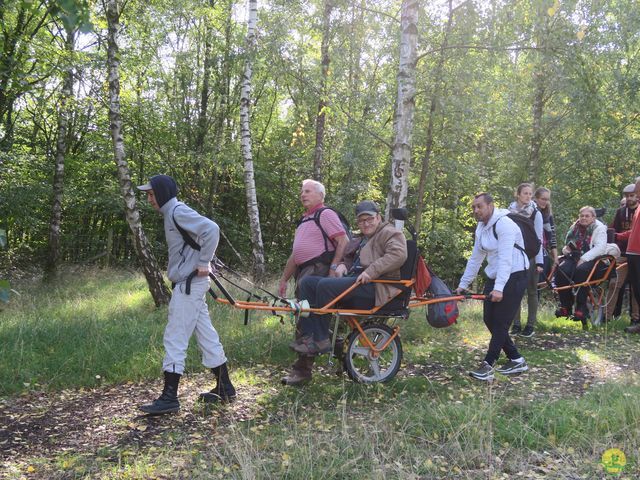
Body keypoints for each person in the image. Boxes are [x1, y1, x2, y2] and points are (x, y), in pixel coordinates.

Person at [137, 175, 236, 415]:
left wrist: (204, 262)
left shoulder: (177, 211)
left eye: (151, 194)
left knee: (175, 337)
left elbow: (212, 229)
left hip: (189, 285)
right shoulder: (172, 213)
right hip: (191, 284)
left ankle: (169, 397)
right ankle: (225, 387)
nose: (149, 199)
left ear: (161, 193)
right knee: (206, 336)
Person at [288, 200, 407, 381]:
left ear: (378, 218)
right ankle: (310, 336)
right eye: (361, 221)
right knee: (308, 283)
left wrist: (370, 271)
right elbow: (349, 258)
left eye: (369, 219)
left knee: (325, 285)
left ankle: (319, 338)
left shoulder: (390, 233)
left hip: (376, 287)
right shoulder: (360, 239)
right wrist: (343, 265)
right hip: (355, 282)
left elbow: (398, 255)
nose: (366, 224)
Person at [279, 179, 349, 385]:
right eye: (302, 191)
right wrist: (284, 278)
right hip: (304, 272)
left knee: (306, 319)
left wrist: (334, 267)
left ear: (320, 195)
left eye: (308, 191)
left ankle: (302, 372)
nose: (303, 194)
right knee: (315, 318)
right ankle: (343, 353)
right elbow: (295, 255)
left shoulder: (325, 214)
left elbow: (343, 240)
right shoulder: (304, 220)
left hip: (317, 271)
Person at [455, 193, 529, 381]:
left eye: (479, 206)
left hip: (515, 274)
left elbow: (506, 259)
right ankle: (516, 358)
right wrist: (463, 285)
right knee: (489, 319)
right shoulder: (481, 228)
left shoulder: (504, 224)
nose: (476, 210)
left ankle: (488, 365)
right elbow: (475, 259)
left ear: (490, 205)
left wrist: (499, 288)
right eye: (473, 207)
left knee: (501, 322)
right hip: (496, 275)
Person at [554, 206, 608, 326]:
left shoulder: (599, 228)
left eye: (587, 216)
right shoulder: (574, 227)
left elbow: (600, 248)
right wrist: (565, 250)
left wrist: (584, 259)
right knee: (561, 270)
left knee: (581, 271)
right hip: (574, 256)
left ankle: (581, 308)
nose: (583, 218)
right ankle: (565, 306)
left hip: (593, 258)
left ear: (593, 217)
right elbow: (567, 244)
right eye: (581, 216)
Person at [509, 183, 544, 338]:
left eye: (530, 194)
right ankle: (516, 324)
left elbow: (539, 239)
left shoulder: (535, 213)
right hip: (513, 255)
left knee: (531, 291)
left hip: (530, 256)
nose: (528, 196)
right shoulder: (509, 212)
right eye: (525, 193)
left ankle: (530, 325)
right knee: (515, 291)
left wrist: (539, 262)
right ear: (518, 194)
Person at [605, 184, 639, 325]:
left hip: (636, 253)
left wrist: (618, 236)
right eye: (627, 196)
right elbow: (613, 229)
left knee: (635, 287)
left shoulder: (638, 211)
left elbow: (633, 233)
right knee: (614, 283)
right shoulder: (620, 212)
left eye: (632, 195)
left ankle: (635, 318)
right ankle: (606, 317)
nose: (629, 198)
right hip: (622, 253)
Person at [616, 177, 640, 334]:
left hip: (638, 252)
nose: (636, 190)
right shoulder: (638, 208)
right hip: (632, 253)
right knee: (637, 290)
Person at [534, 187, 559, 283]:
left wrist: (555, 258)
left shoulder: (548, 215)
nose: (545, 202)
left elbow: (552, 238)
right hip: (533, 252)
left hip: (544, 252)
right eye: (543, 199)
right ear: (536, 198)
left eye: (547, 199)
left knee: (541, 283)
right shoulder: (531, 212)